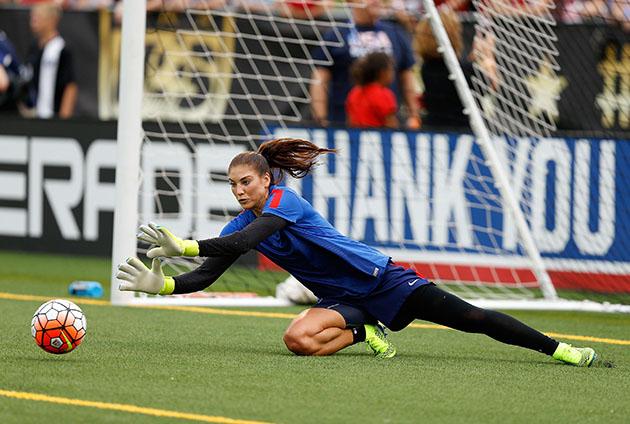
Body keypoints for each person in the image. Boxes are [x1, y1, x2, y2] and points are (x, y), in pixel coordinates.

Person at [117, 138, 598, 367]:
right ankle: (364, 329)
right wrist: (164, 283)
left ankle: (559, 349)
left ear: (267, 179)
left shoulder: (287, 202)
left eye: (246, 182)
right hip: (341, 300)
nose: (240, 191)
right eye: (233, 184)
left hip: (381, 279)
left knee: (472, 318)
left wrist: (182, 243)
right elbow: (207, 274)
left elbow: (242, 244)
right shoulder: (240, 220)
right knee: (298, 341)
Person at [309, 0, 420, 129]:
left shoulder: (395, 32)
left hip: (388, 124)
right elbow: (320, 78)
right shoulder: (336, 34)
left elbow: (407, 76)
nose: (376, 1)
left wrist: (414, 115)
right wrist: (320, 118)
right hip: (343, 123)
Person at [25, 2, 77, 119]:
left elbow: (70, 86)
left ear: (52, 20)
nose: (33, 22)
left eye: (38, 18)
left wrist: (63, 118)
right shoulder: (34, 48)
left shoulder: (61, 48)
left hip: (54, 116)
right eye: (32, 18)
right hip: (35, 115)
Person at [346, 51, 399, 128]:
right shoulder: (384, 94)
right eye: (391, 70)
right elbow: (391, 125)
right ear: (383, 72)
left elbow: (350, 121)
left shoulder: (354, 92)